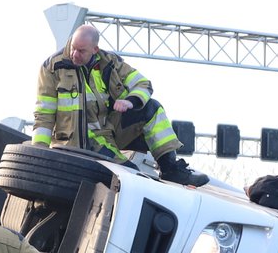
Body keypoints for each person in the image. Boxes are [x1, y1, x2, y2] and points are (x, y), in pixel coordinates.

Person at [32, 23, 207, 186]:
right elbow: (44, 115)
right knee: (132, 175)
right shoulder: (52, 68)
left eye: (81, 51)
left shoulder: (110, 62)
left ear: (95, 49)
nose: (75, 55)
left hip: (109, 133)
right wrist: (38, 155)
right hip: (80, 144)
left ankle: (170, 169)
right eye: (73, 48)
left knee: (152, 108)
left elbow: (144, 84)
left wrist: (130, 102)